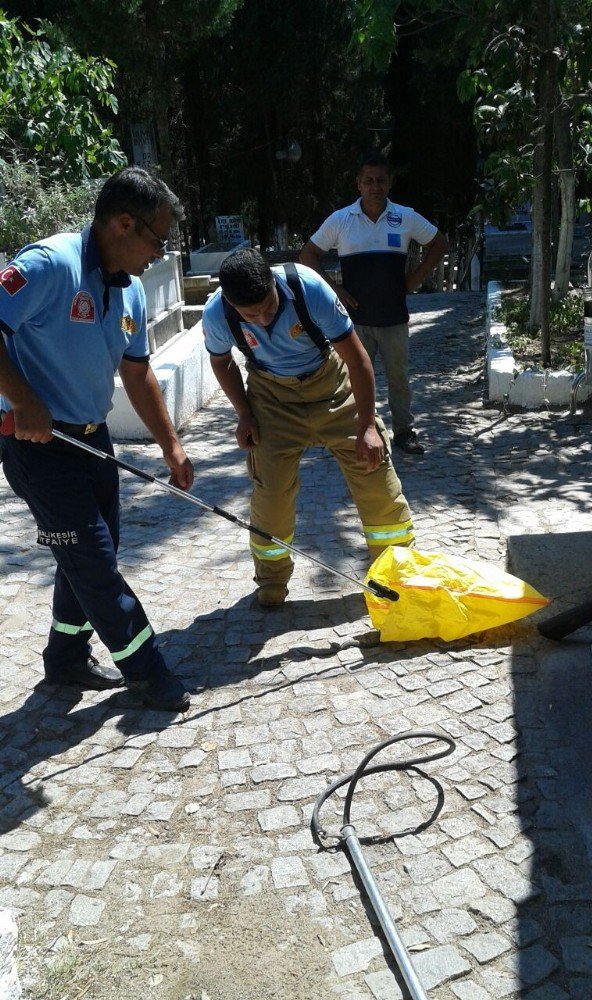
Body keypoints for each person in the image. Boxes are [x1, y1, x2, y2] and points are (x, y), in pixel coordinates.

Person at [0, 166, 193, 712]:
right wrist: (23, 400)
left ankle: (64, 659)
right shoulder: (50, 265)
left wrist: (170, 444)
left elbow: (138, 374)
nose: (161, 251)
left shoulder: (128, 291)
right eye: (157, 239)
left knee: (83, 559)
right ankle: (148, 671)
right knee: (96, 565)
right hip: (39, 446)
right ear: (121, 224)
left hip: (94, 442)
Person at [201, 247, 414, 607]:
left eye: (268, 307)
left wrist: (367, 425)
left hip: (332, 387)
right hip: (271, 399)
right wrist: (244, 414)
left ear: (273, 282)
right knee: (271, 494)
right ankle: (271, 580)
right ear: (231, 303)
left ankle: (399, 574)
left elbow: (357, 358)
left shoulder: (308, 287)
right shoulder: (217, 315)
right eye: (251, 315)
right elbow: (222, 364)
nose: (264, 319)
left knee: (376, 476)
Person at [300, 152, 449, 455]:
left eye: (381, 180)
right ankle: (356, 432)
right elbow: (308, 256)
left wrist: (415, 279)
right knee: (352, 376)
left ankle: (404, 432)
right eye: (368, 180)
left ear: (389, 183)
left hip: (394, 316)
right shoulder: (341, 220)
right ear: (358, 184)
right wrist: (335, 290)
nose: (374, 186)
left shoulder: (404, 217)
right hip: (353, 321)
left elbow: (439, 244)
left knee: (399, 378)